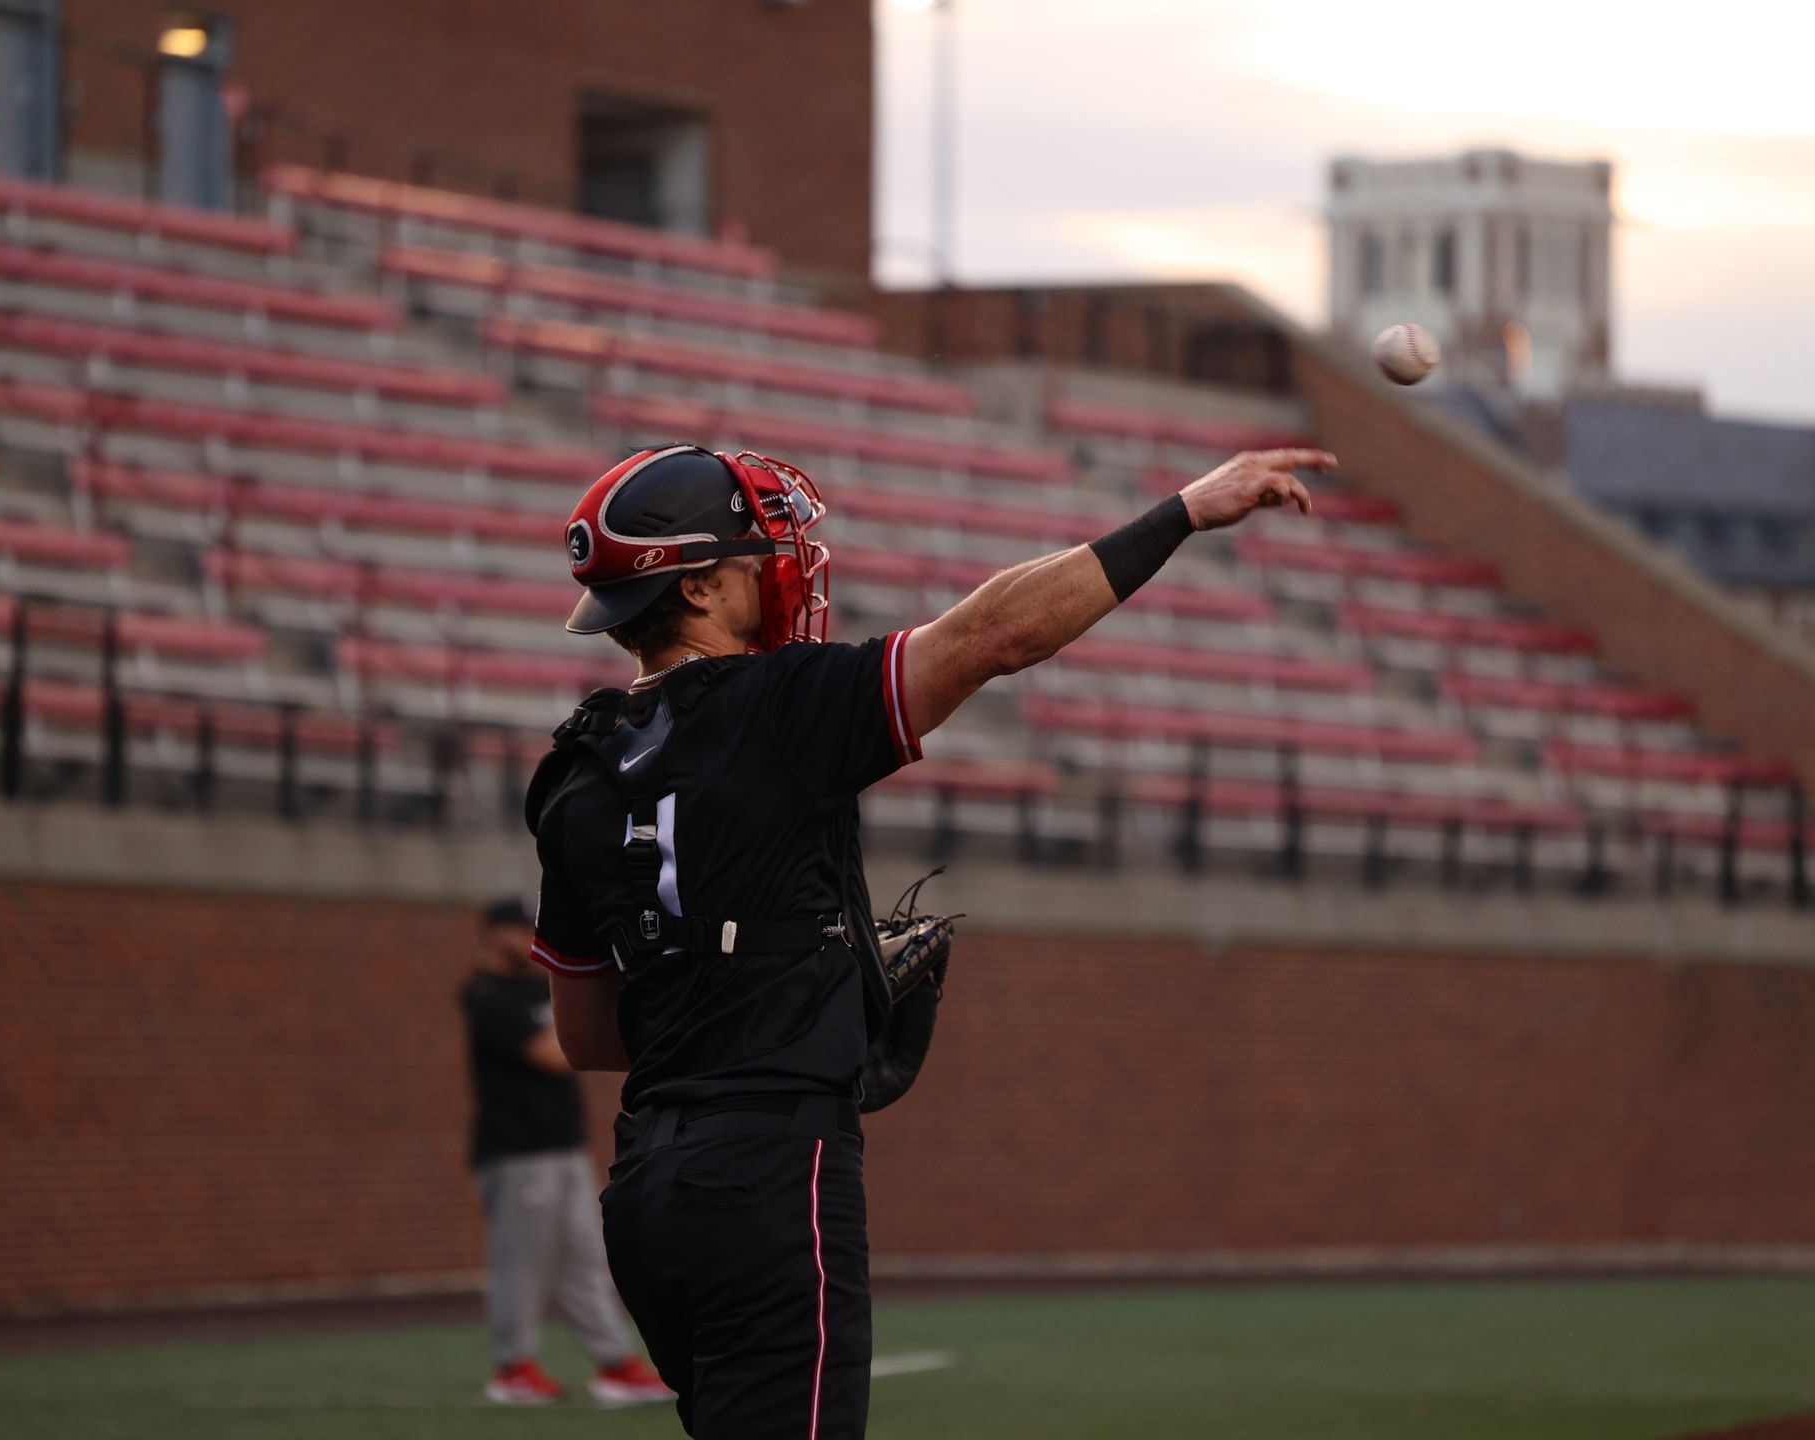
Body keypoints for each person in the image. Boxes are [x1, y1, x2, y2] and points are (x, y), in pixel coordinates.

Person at [524, 442, 1334, 1438]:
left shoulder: (573, 772)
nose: (782, 567)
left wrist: (764, 978)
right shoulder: (783, 707)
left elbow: (591, 1036)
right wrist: (1184, 511)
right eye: (754, 556)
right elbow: (995, 634)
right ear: (696, 587)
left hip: (648, 1190)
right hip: (771, 1176)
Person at [459, 896, 674, 1407]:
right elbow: (555, 1054)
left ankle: (614, 1362)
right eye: (515, 929)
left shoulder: (535, 987)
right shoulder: (486, 994)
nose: (525, 938)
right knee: (521, 1261)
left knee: (584, 1258)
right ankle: (513, 1366)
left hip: (563, 1147)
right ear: (491, 933)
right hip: (516, 1151)